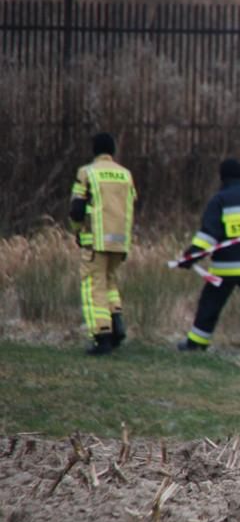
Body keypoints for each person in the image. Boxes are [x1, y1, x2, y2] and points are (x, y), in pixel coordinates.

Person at [177, 159, 240, 354]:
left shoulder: (219, 200)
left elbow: (208, 236)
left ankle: (196, 343)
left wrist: (190, 256)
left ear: (222, 177)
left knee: (209, 305)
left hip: (225, 270)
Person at [69, 132, 137, 356]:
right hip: (120, 241)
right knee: (110, 283)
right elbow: (131, 205)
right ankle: (117, 326)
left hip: (96, 241)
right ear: (113, 151)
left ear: (94, 151)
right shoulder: (126, 175)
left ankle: (102, 335)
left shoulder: (87, 173)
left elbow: (76, 209)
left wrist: (77, 232)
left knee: (93, 285)